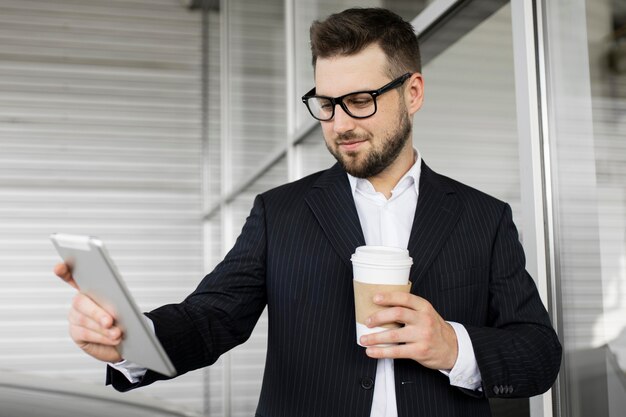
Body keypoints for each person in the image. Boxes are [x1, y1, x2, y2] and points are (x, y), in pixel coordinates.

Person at [54, 7, 562, 417]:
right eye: (326, 102)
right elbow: (210, 318)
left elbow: (538, 355)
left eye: (360, 100)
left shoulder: (483, 217)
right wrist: (130, 343)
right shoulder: (281, 213)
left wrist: (452, 346)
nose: (340, 123)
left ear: (413, 92)